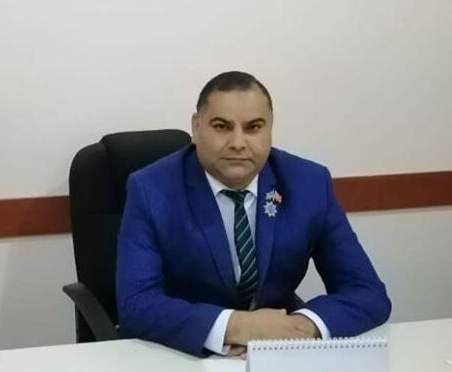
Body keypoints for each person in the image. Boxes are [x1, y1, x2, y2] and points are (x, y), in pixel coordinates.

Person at [116, 71, 392, 357]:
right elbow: (136, 305)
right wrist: (239, 327)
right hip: (186, 354)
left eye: (253, 127)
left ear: (270, 128)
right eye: (221, 126)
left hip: (279, 354)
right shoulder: (151, 189)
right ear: (196, 127)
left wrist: (300, 327)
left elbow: (367, 292)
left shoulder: (309, 184)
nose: (238, 143)